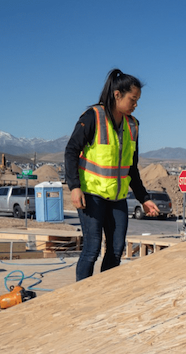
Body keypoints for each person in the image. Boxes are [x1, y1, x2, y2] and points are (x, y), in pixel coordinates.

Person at [65, 69, 159, 281]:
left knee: (116, 250)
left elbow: (131, 168)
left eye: (137, 100)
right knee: (92, 249)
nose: (136, 104)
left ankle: (103, 294)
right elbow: (71, 151)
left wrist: (144, 198)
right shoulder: (93, 117)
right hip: (91, 195)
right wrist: (74, 187)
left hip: (117, 198)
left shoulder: (133, 125)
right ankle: (82, 295)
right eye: (132, 99)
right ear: (117, 94)